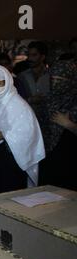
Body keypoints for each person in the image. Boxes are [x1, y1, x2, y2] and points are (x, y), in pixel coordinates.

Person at [0, 65, 45, 194]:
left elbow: (29, 134)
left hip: (12, 161)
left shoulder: (19, 105)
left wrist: (4, 135)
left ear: (7, 81)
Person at [37, 60, 77, 190]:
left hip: (70, 157)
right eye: (53, 78)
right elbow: (40, 125)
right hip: (49, 155)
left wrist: (68, 124)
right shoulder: (49, 99)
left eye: (61, 79)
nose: (56, 83)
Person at [17, 41, 50, 111]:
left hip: (49, 117)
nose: (29, 58)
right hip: (28, 115)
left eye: (34, 55)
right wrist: (30, 100)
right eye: (28, 55)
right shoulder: (22, 76)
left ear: (42, 57)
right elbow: (17, 99)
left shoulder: (51, 75)